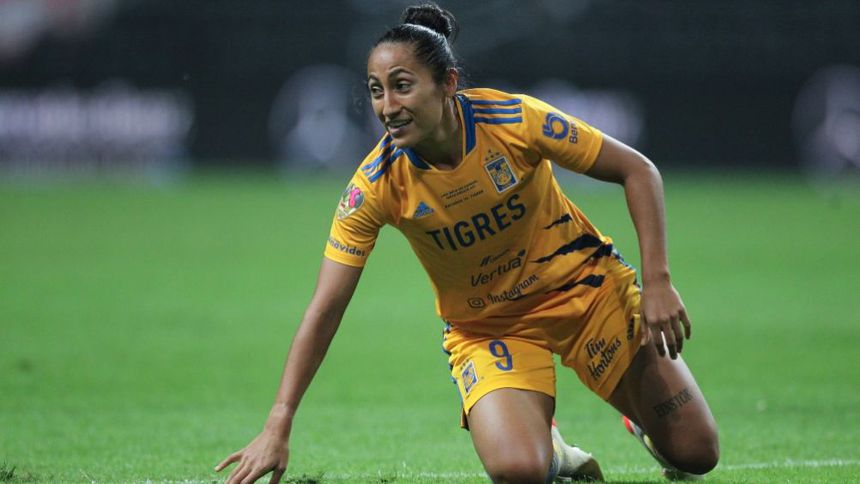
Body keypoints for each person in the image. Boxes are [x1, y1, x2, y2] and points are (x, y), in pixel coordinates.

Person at [215, 3, 719, 483]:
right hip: (490, 326)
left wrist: (657, 282)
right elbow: (326, 307)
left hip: (586, 291)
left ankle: (641, 418)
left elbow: (638, 170)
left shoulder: (514, 121)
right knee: (518, 471)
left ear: (448, 84)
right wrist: (278, 423)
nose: (388, 107)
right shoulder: (375, 185)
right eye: (376, 91)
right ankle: (553, 449)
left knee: (696, 453)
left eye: (402, 86)